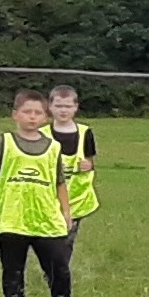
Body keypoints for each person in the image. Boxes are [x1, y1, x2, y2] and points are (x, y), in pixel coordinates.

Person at [0, 90, 80, 297]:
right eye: (27, 112)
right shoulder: (4, 143)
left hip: (46, 218)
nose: (32, 117)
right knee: (13, 268)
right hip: (13, 218)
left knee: (58, 265)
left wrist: (66, 211)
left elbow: (60, 182)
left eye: (37, 113)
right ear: (15, 114)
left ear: (45, 117)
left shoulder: (53, 147)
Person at [45, 82, 101, 253]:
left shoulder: (85, 133)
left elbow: (90, 161)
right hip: (49, 197)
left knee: (67, 239)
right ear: (50, 107)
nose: (63, 110)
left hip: (77, 199)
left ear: (76, 107)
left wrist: (88, 165)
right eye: (59, 106)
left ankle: (61, 266)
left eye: (68, 106)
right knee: (50, 238)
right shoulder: (42, 134)